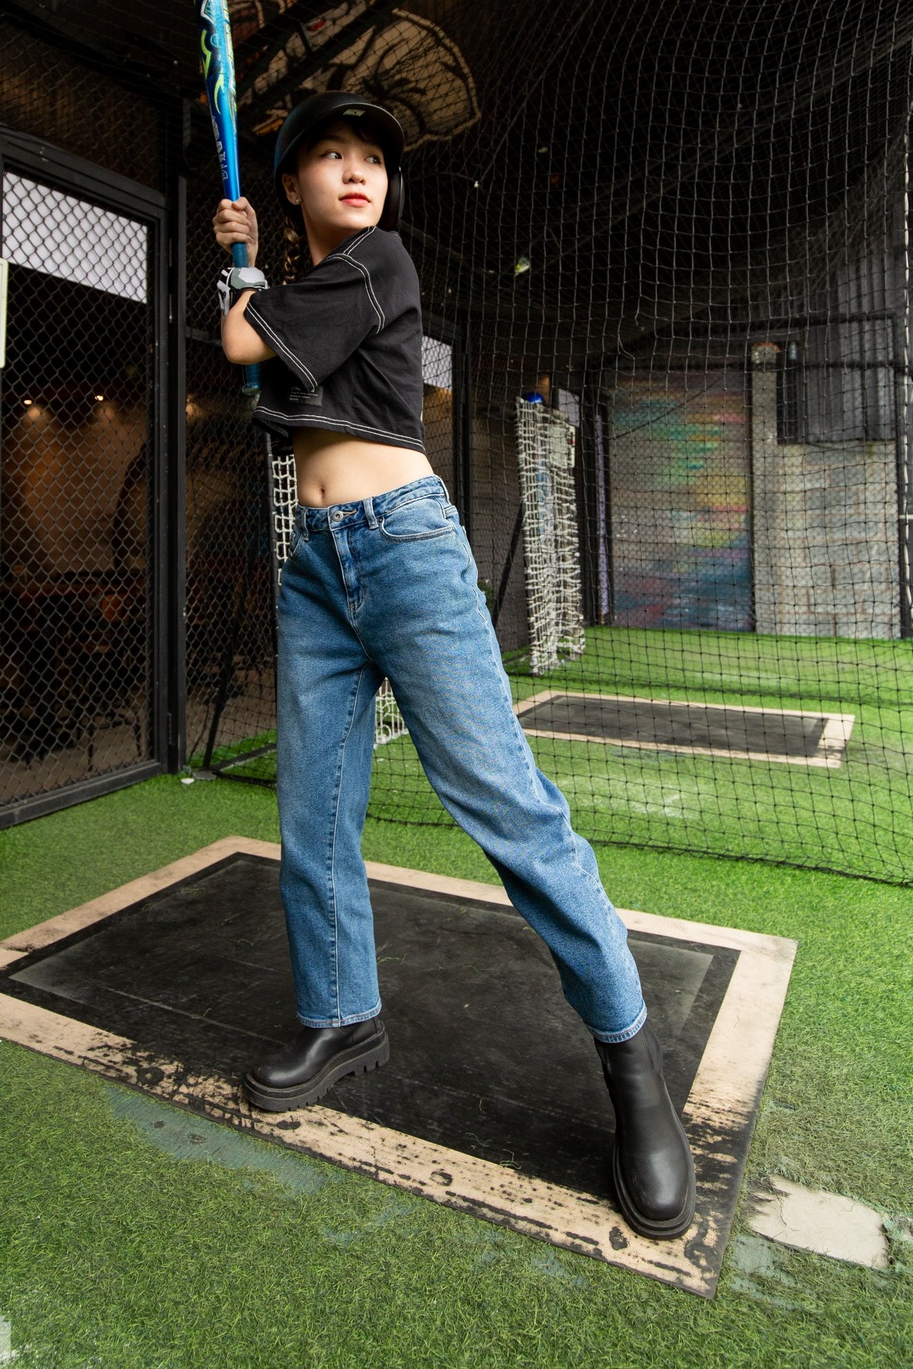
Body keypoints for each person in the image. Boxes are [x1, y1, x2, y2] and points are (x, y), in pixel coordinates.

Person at [211, 91, 695, 1240]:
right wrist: (247, 270)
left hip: (409, 557)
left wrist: (234, 271)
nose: (355, 169)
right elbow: (266, 371)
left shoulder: (379, 260)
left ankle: (632, 1065)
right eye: (328, 156)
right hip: (318, 563)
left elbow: (241, 341)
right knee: (313, 812)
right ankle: (342, 1015)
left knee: (508, 810)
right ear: (292, 186)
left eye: (370, 155)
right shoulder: (314, 290)